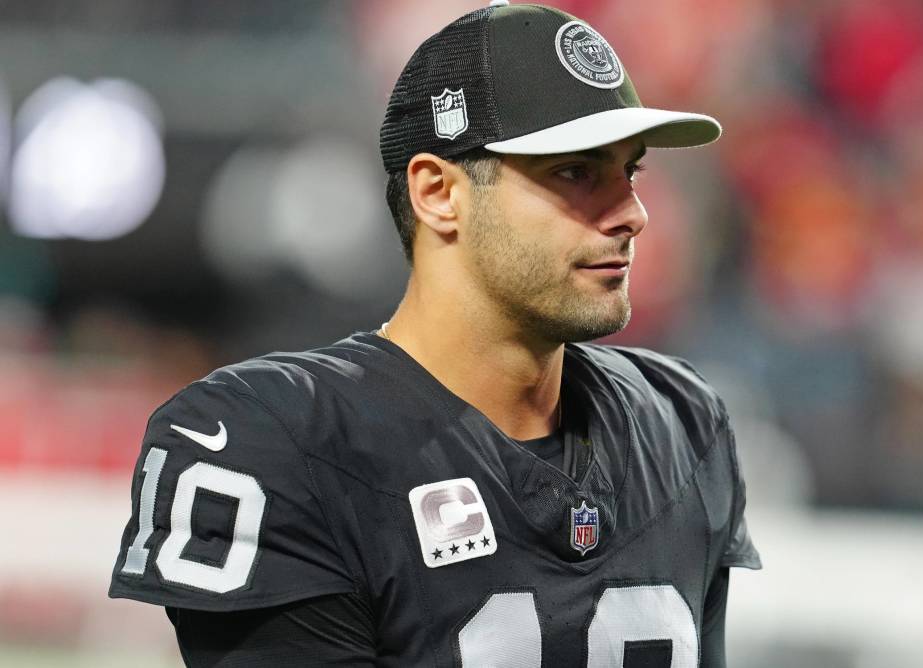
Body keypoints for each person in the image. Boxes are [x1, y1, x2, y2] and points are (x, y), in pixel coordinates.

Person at [109, 1, 760, 665]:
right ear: (438, 193)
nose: (632, 213)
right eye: (575, 172)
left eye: (631, 171)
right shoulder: (279, 443)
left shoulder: (682, 424)